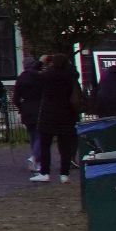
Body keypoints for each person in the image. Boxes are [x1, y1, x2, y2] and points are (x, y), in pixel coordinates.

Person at [31, 50, 82, 184]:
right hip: (67, 114)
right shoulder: (71, 75)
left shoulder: (48, 75)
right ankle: (64, 175)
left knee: (45, 145)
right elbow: (75, 72)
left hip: (49, 114)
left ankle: (45, 173)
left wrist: (41, 61)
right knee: (65, 147)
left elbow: (33, 74)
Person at [13, 56, 45, 172]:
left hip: (26, 108)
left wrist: (21, 107)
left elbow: (16, 98)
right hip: (39, 108)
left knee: (32, 135)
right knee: (40, 135)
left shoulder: (21, 78)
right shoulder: (40, 77)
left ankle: (36, 162)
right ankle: (35, 157)